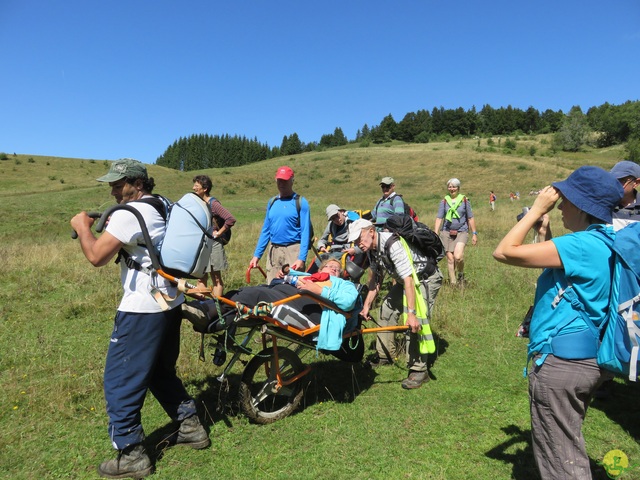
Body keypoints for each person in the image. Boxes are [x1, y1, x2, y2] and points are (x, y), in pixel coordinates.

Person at [70, 159, 210, 479]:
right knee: (160, 372)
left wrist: (81, 226)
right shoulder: (161, 204)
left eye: (119, 185)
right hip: (169, 302)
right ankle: (190, 427)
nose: (114, 191)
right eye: (112, 185)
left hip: (141, 308)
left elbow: (96, 256)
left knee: (119, 380)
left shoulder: (129, 213)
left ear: (137, 183)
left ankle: (131, 453)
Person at [493, 166, 624, 480]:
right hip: (585, 359)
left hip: (561, 366)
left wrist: (536, 209)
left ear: (581, 205)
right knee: (567, 441)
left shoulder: (581, 246)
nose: (560, 205)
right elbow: (564, 280)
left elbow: (503, 252)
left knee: (560, 461)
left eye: (565, 200)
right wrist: (544, 231)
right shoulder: (603, 241)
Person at [183, 258, 360, 352]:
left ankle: (205, 311)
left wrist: (319, 290)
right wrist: (283, 276)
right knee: (244, 294)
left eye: (337, 269)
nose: (333, 270)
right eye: (330, 267)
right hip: (290, 297)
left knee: (257, 295)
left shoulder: (344, 285)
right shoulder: (308, 277)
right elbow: (278, 280)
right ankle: (207, 317)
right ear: (320, 270)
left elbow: (349, 302)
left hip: (315, 311)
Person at [347, 218, 443, 389]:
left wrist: (411, 313)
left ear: (371, 231)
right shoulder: (371, 249)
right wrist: (367, 305)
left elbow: (409, 280)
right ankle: (385, 355)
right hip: (405, 280)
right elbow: (376, 279)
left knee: (415, 322)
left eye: (359, 238)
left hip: (425, 279)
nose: (358, 243)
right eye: (355, 241)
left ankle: (419, 370)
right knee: (386, 311)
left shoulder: (393, 244)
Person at [249, 166, 313, 284]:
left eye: (285, 180)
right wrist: (257, 255)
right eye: (279, 180)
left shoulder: (300, 202)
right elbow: (266, 230)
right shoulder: (272, 202)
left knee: (293, 287)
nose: (281, 183)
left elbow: (305, 232)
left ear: (292, 181)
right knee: (272, 286)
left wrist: (301, 258)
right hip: (274, 251)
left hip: (293, 250)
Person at [192, 174, 236, 296]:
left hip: (214, 243)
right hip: (202, 243)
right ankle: (203, 308)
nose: (194, 188)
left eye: (196, 186)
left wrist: (219, 233)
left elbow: (230, 219)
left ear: (205, 188)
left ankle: (217, 309)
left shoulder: (213, 204)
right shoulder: (198, 203)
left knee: (216, 278)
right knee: (201, 277)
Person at [434, 178, 477, 286]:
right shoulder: (444, 201)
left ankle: (461, 275)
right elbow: (439, 218)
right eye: (449, 186)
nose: (451, 189)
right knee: (450, 258)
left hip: (461, 231)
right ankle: (453, 283)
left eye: (454, 186)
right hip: (446, 232)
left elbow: (470, 218)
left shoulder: (464, 200)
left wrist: (474, 233)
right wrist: (435, 233)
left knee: (458, 257)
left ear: (458, 188)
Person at [610, 160, 640, 231]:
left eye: (621, 180)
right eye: (613, 179)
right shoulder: (605, 204)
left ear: (636, 183)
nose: (615, 184)